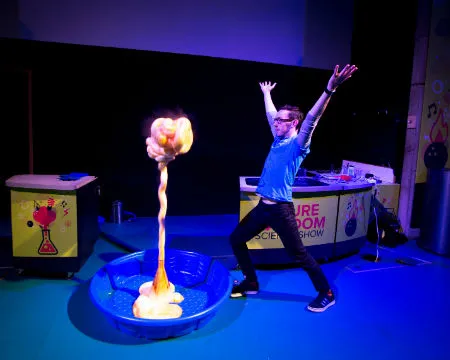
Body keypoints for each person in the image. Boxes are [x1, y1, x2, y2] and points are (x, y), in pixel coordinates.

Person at [229, 64, 358, 312]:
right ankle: (251, 282)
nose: (275, 122)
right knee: (236, 239)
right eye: (276, 120)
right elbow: (270, 114)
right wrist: (266, 94)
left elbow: (312, 118)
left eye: (280, 120)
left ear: (293, 123)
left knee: (299, 255)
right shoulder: (277, 139)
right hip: (262, 208)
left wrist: (329, 89)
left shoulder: (298, 144)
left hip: (280, 211)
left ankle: (326, 292)